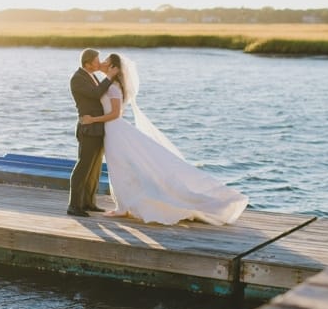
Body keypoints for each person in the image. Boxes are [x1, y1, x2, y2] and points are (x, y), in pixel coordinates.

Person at [79, 53, 248, 225]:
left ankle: (123, 208)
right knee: (120, 168)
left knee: (121, 168)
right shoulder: (108, 84)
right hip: (112, 131)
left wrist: (92, 120)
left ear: (115, 68)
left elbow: (115, 114)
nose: (102, 63)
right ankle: (123, 206)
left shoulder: (113, 87)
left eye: (106, 62)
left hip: (115, 131)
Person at [68, 48, 120, 217]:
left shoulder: (92, 76)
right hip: (88, 129)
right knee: (83, 167)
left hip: (98, 128)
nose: (100, 63)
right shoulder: (77, 79)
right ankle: (74, 205)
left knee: (95, 168)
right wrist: (110, 77)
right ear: (87, 63)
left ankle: (89, 202)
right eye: (97, 61)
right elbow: (95, 93)